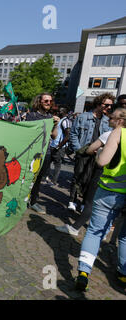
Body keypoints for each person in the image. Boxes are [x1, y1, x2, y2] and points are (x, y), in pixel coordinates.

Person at [56, 107, 125, 236]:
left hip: (104, 175)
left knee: (91, 202)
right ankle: (103, 233)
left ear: (119, 121)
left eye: (111, 118)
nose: (108, 119)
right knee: (113, 210)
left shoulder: (109, 135)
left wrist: (99, 152)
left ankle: (75, 228)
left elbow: (91, 151)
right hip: (121, 181)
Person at [74, 122, 126, 291]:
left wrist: (101, 153)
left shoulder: (119, 133)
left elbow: (102, 161)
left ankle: (83, 273)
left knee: (95, 232)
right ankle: (123, 273)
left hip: (108, 192)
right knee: (125, 237)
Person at [67, 93, 113, 212]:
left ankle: (84, 202)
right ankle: (72, 200)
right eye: (107, 105)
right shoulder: (83, 117)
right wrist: (78, 149)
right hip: (83, 152)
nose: (109, 107)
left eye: (110, 105)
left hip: (97, 155)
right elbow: (73, 134)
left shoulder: (107, 121)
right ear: (99, 104)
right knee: (78, 176)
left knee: (91, 179)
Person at [24, 92, 60, 214]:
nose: (48, 103)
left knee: (39, 179)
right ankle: (23, 199)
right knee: (28, 176)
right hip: (33, 152)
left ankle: (33, 201)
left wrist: (55, 125)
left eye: (50, 101)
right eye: (46, 101)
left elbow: (54, 136)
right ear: (39, 102)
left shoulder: (51, 117)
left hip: (46, 152)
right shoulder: (32, 116)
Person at [45, 107, 72, 185]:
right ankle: (47, 176)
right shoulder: (59, 120)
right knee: (47, 162)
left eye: (60, 111)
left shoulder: (65, 121)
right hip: (53, 145)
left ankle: (54, 181)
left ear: (64, 112)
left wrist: (59, 146)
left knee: (57, 164)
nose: (58, 112)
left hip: (59, 147)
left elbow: (67, 136)